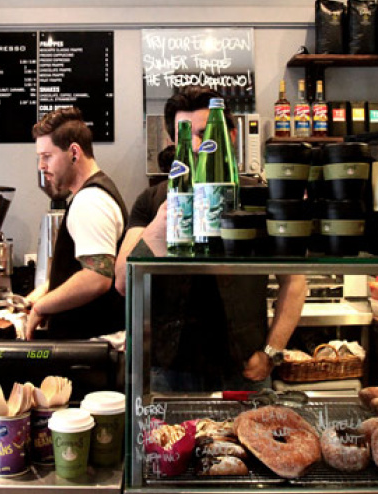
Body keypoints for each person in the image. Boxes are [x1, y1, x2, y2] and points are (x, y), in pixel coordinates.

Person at [114, 87, 307, 392]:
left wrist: (271, 353)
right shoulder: (151, 201)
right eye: (184, 134)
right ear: (173, 142)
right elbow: (123, 282)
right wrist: (160, 225)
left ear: (230, 136)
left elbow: (294, 281)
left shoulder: (258, 200)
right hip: (169, 371)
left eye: (205, 134)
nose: (194, 144)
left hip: (245, 369)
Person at [25, 107, 128, 340]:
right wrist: (45, 291)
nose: (41, 166)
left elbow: (96, 278)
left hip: (91, 344)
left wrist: (42, 307)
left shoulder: (90, 201)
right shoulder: (93, 194)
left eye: (47, 156)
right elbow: (83, 269)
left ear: (74, 152)